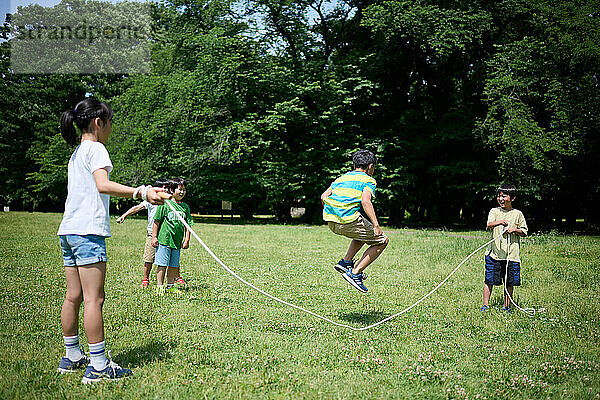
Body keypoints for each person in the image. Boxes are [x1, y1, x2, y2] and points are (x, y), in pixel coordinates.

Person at [57, 98, 168, 383]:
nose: (110, 129)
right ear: (98, 123)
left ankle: (71, 357)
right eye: (109, 123)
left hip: (69, 231)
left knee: (74, 295)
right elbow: (102, 185)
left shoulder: (77, 152)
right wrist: (141, 192)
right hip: (87, 232)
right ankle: (98, 366)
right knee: (95, 298)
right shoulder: (96, 149)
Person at [320, 149, 389, 293]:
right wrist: (376, 225)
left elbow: (323, 196)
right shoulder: (369, 180)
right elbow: (366, 201)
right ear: (370, 166)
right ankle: (355, 272)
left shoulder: (341, 178)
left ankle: (346, 262)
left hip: (331, 221)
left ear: (354, 165)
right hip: (348, 220)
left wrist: (333, 210)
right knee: (382, 241)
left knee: (363, 232)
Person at [480, 183, 528, 313]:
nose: (501, 199)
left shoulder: (517, 214)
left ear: (512, 198)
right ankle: (485, 305)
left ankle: (506, 306)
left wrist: (514, 230)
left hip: (511, 255)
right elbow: (489, 224)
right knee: (489, 279)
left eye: (504, 196)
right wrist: (500, 222)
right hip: (493, 254)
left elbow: (524, 231)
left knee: (509, 282)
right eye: (499, 196)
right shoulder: (494, 211)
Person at [116, 178, 170, 288]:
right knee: (149, 258)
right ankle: (146, 278)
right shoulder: (150, 201)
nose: (165, 191)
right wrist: (124, 216)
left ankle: (173, 279)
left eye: (167, 189)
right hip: (152, 232)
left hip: (165, 233)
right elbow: (137, 207)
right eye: (163, 188)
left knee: (167, 258)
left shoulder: (169, 201)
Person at [152, 177, 193, 295]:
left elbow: (188, 225)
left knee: (173, 265)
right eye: (179, 189)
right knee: (162, 264)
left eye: (184, 190)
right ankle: (160, 286)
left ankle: (170, 285)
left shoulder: (185, 207)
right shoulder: (165, 204)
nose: (182, 192)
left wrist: (187, 240)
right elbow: (156, 221)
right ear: (171, 190)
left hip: (177, 242)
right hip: (164, 240)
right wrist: (154, 237)